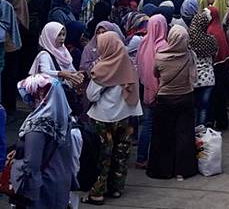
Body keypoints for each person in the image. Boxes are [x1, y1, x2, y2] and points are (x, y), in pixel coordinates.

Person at [83, 32, 142, 205]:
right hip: (126, 115)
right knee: (121, 153)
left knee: (103, 155)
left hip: (104, 117)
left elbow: (91, 95)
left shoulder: (103, 68)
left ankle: (97, 192)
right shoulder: (128, 64)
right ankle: (116, 188)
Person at [11, 75, 77, 209]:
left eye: (29, 96)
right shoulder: (64, 118)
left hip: (42, 189)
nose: (27, 100)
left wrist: (25, 195)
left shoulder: (37, 125)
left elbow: (31, 165)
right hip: (60, 182)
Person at [147, 25, 198, 180]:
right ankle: (183, 169)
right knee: (184, 134)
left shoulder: (160, 57)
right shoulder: (189, 56)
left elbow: (155, 73)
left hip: (165, 99)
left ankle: (163, 170)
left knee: (163, 135)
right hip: (185, 97)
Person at [135, 15, 168, 168]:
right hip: (160, 91)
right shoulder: (162, 46)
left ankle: (141, 157)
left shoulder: (143, 41)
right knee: (159, 126)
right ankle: (156, 158)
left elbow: (138, 64)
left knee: (147, 125)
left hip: (145, 89)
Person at [188, 11, 219, 127]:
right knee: (203, 107)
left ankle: (191, 130)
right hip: (208, 77)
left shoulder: (188, 40)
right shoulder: (211, 40)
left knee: (193, 107)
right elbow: (215, 55)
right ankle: (201, 130)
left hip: (193, 77)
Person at [207, 6, 229, 130]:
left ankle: (219, 121)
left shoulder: (211, 30)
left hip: (216, 66)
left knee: (216, 95)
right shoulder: (218, 28)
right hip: (223, 65)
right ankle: (222, 121)